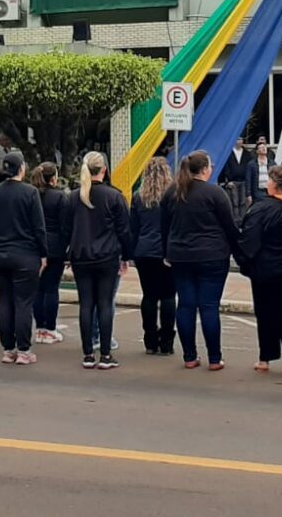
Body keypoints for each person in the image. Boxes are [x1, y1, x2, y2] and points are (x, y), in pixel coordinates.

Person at [161, 150, 241, 371]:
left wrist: (166, 253)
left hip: (180, 256)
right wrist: (240, 253)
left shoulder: (172, 193)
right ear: (205, 169)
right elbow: (230, 226)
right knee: (209, 306)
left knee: (185, 305)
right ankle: (214, 358)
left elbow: (164, 227)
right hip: (213, 255)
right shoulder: (215, 194)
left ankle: (189, 356)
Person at [65, 151, 131, 370]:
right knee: (104, 304)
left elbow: (67, 228)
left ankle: (87, 354)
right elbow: (124, 231)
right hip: (107, 256)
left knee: (86, 304)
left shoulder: (73, 197)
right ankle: (105, 354)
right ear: (104, 169)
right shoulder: (114, 196)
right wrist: (127, 256)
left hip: (81, 256)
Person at [239, 165, 282, 376]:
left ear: (275, 184)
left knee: (265, 313)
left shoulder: (262, 209)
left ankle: (265, 358)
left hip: (265, 269)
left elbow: (249, 239)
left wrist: (245, 263)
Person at [0, 152, 46, 365]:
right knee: (23, 302)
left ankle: (8, 348)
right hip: (25, 254)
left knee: (5, 301)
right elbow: (39, 227)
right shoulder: (30, 193)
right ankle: (24, 349)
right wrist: (43, 253)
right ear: (22, 169)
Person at [130, 157, 175, 356]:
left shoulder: (139, 196)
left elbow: (133, 228)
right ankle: (166, 342)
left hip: (144, 250)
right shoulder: (173, 195)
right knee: (167, 296)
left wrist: (130, 253)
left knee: (148, 296)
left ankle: (150, 340)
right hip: (167, 251)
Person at [31, 162, 68, 345]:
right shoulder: (60, 196)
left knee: (38, 288)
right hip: (55, 246)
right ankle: (50, 329)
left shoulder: (31, 194)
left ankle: (39, 328)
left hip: (35, 247)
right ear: (53, 177)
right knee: (52, 288)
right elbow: (65, 225)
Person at [219, 136, 251, 223]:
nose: (239, 141)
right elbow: (225, 168)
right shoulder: (228, 153)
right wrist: (227, 181)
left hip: (244, 181)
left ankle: (243, 221)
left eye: (241, 139)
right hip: (233, 181)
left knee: (243, 202)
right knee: (234, 202)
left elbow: (249, 168)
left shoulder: (247, 154)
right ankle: (235, 221)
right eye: (237, 139)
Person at [243, 141, 275, 205]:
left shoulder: (272, 163)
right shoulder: (252, 164)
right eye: (261, 147)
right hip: (258, 191)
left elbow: (276, 178)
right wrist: (248, 194)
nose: (264, 149)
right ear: (257, 151)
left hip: (269, 190)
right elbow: (248, 179)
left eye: (265, 147)